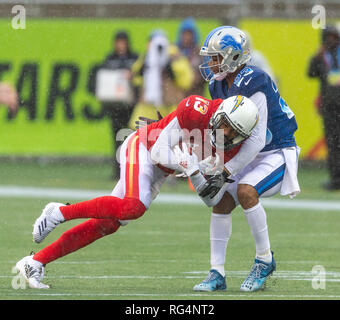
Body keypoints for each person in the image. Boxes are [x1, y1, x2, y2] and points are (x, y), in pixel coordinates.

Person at [14, 94, 259, 289]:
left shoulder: (233, 152)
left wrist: (197, 174)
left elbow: (212, 200)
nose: (226, 133)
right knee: (134, 207)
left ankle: (35, 262)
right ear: (220, 114)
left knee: (109, 224)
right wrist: (186, 165)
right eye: (225, 124)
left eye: (233, 132)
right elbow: (159, 150)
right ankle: (60, 211)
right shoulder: (197, 109)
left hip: (160, 171)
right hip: (145, 146)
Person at [193, 26, 300, 292]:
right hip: (248, 154)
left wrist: (225, 171)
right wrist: (208, 162)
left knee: (245, 191)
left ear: (233, 57)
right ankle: (216, 272)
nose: (211, 63)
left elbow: (258, 139)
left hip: (276, 151)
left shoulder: (256, 79)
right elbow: (223, 131)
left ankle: (264, 259)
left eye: (216, 57)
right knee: (221, 201)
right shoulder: (217, 83)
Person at [94, 30, 139, 180]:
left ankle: (129, 171)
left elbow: (139, 77)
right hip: (115, 107)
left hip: (130, 106)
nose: (120, 45)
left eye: (122, 42)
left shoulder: (134, 59)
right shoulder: (110, 59)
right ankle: (117, 171)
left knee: (130, 139)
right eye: (118, 42)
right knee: (117, 138)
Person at [128, 30, 194, 129]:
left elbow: (186, 81)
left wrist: (171, 68)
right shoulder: (146, 58)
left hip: (170, 108)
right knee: (144, 140)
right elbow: (135, 78)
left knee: (169, 140)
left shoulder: (174, 57)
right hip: (147, 108)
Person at [308, 25, 340, 190]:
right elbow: (310, 73)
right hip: (330, 108)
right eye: (328, 37)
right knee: (333, 144)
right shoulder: (322, 57)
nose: (331, 41)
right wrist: (316, 57)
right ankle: (336, 180)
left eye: (334, 37)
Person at [176, 17, 206, 97]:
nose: (187, 37)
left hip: (196, 95)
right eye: (184, 34)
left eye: (189, 34)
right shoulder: (176, 52)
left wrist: (195, 77)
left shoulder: (200, 53)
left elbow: (206, 75)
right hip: (179, 96)